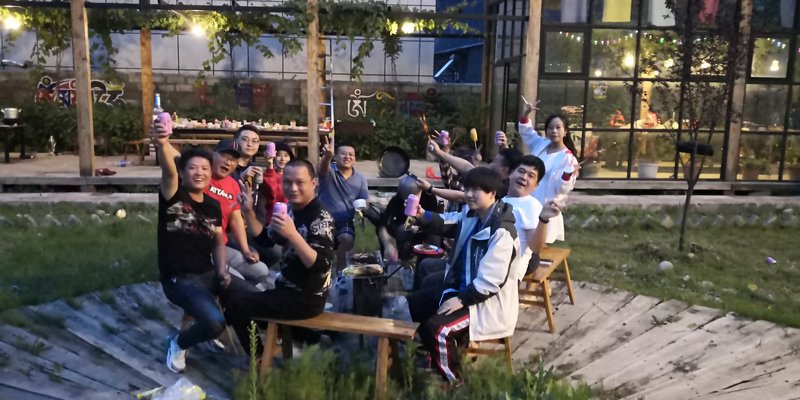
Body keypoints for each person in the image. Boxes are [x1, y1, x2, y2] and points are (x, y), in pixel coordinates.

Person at [151, 123, 253, 374]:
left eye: (205, 168)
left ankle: (257, 357)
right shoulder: (173, 196)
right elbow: (168, 171)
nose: (199, 173)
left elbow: (218, 241)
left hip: (208, 273)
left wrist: (222, 270)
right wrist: (163, 143)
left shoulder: (212, 205)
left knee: (250, 299)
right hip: (179, 280)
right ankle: (179, 342)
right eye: (193, 168)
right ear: (183, 172)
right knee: (215, 322)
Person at [406, 167, 520, 383]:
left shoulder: (501, 232)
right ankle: (433, 356)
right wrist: (422, 215)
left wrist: (461, 300)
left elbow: (491, 282)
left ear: (492, 193)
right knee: (416, 302)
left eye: (476, 190)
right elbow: (448, 222)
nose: (468, 194)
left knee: (438, 329)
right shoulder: (473, 214)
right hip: (463, 287)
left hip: (484, 301)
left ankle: (454, 382)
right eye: (467, 189)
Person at [225, 159, 335, 355]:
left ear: (313, 183)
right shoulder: (291, 209)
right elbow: (266, 239)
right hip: (285, 290)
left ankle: (259, 358)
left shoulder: (321, 218)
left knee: (236, 306)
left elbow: (321, 265)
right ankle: (310, 337)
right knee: (235, 296)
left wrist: (293, 234)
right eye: (287, 182)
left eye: (299, 182)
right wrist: (248, 211)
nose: (293, 188)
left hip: (304, 299)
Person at [518, 103, 579, 243]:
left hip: (545, 204)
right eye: (550, 128)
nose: (554, 131)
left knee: (538, 243)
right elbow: (527, 132)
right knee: (522, 241)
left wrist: (567, 175)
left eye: (558, 127)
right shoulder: (541, 144)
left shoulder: (568, 158)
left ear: (566, 131)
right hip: (528, 200)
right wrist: (525, 114)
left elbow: (563, 190)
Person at [317, 137, 369, 272]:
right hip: (323, 219)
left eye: (351, 154)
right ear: (335, 157)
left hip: (346, 222)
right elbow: (321, 170)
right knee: (320, 241)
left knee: (347, 238)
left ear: (355, 159)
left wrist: (364, 207)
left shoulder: (360, 178)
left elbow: (365, 200)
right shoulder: (329, 171)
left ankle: (340, 271)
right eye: (343, 154)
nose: (347, 157)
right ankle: (322, 269)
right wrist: (327, 157)